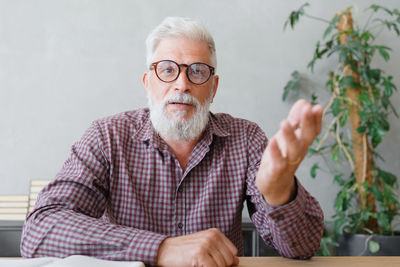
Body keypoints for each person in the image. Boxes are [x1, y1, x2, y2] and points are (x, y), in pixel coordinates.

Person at [21, 17, 324, 267]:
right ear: (148, 83)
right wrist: (161, 249)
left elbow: (304, 247)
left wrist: (280, 191)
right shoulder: (107, 137)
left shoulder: (245, 139)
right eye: (167, 70)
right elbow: (39, 232)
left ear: (213, 86)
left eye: (197, 71)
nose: (182, 84)